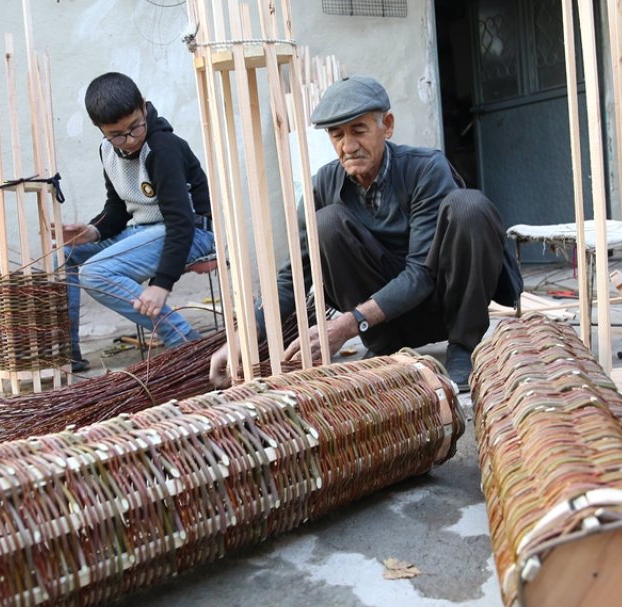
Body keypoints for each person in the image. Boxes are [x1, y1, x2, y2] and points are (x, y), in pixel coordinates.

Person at [208, 75, 523, 392]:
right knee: (325, 222)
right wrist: (244, 338)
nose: (348, 146)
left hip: (441, 306)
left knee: (470, 207)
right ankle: (384, 348)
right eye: (337, 135)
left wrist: (346, 325)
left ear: (387, 126)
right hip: (383, 325)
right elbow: (294, 276)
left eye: (359, 131)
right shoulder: (323, 186)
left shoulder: (426, 169)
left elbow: (420, 273)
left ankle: (464, 347)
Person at [60, 72, 215, 371]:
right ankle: (67, 351)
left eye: (134, 128)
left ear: (143, 108)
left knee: (95, 274)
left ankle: (185, 341)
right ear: (101, 131)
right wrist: (92, 232)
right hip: (143, 231)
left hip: (190, 231)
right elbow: (117, 208)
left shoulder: (162, 148)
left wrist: (161, 285)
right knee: (65, 254)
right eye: (117, 134)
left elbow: (181, 223)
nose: (129, 140)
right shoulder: (108, 151)